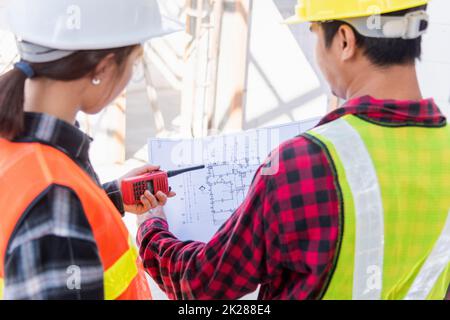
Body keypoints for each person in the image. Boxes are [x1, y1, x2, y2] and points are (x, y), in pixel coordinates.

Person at [136, 0, 450, 300]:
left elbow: (202, 285)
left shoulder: (303, 164)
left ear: (344, 40)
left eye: (314, 35)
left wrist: (151, 225)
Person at [0, 0, 177, 300]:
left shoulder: (19, 143)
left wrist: (109, 198)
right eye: (133, 64)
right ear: (103, 68)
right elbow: (51, 217)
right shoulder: (55, 200)